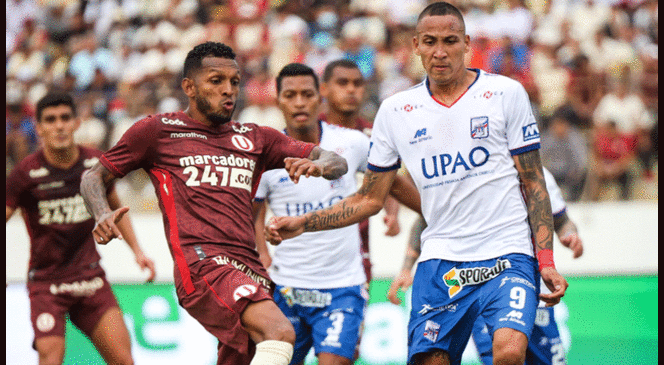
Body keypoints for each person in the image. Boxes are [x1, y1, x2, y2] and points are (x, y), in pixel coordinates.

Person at [265, 3, 568, 365]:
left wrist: (546, 260)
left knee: (508, 352)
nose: (440, 51)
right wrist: (303, 224)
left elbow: (533, 182)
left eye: (450, 41)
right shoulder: (395, 111)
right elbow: (369, 198)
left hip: (507, 252)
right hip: (441, 260)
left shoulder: (505, 94)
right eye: (430, 41)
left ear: (467, 43)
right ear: (415, 45)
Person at [79, 42, 349, 365]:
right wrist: (101, 213)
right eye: (216, 81)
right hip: (203, 264)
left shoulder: (256, 137)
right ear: (189, 87)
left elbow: (335, 160)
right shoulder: (158, 131)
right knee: (280, 332)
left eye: (234, 82)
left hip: (252, 271)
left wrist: (320, 165)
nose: (228, 91)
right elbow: (93, 177)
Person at [253, 63, 419, 365]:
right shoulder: (264, 154)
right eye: (290, 95)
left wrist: (432, 212)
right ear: (277, 100)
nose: (300, 102)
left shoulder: (352, 142)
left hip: (343, 286)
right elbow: (251, 215)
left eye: (307, 94)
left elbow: (391, 182)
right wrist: (262, 253)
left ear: (321, 97)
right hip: (286, 286)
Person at [6, 92, 156, 365]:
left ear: (76, 122)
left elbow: (115, 208)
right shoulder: (25, 174)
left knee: (125, 361)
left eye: (65, 118)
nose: (59, 125)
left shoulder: (96, 165)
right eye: (50, 120)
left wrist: (138, 251)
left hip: (90, 279)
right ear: (38, 128)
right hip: (46, 284)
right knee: (50, 358)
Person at [388, 167, 584, 365]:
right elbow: (428, 219)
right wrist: (406, 268)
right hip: (484, 287)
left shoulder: (537, 173)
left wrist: (570, 234)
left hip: (532, 290)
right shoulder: (463, 169)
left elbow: (562, 221)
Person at [319, 58, 401, 288]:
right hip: (312, 244)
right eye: (342, 83)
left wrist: (392, 214)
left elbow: (391, 182)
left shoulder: (373, 135)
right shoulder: (311, 132)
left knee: (356, 322)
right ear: (324, 88)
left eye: (357, 83)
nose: (351, 89)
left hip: (357, 249)